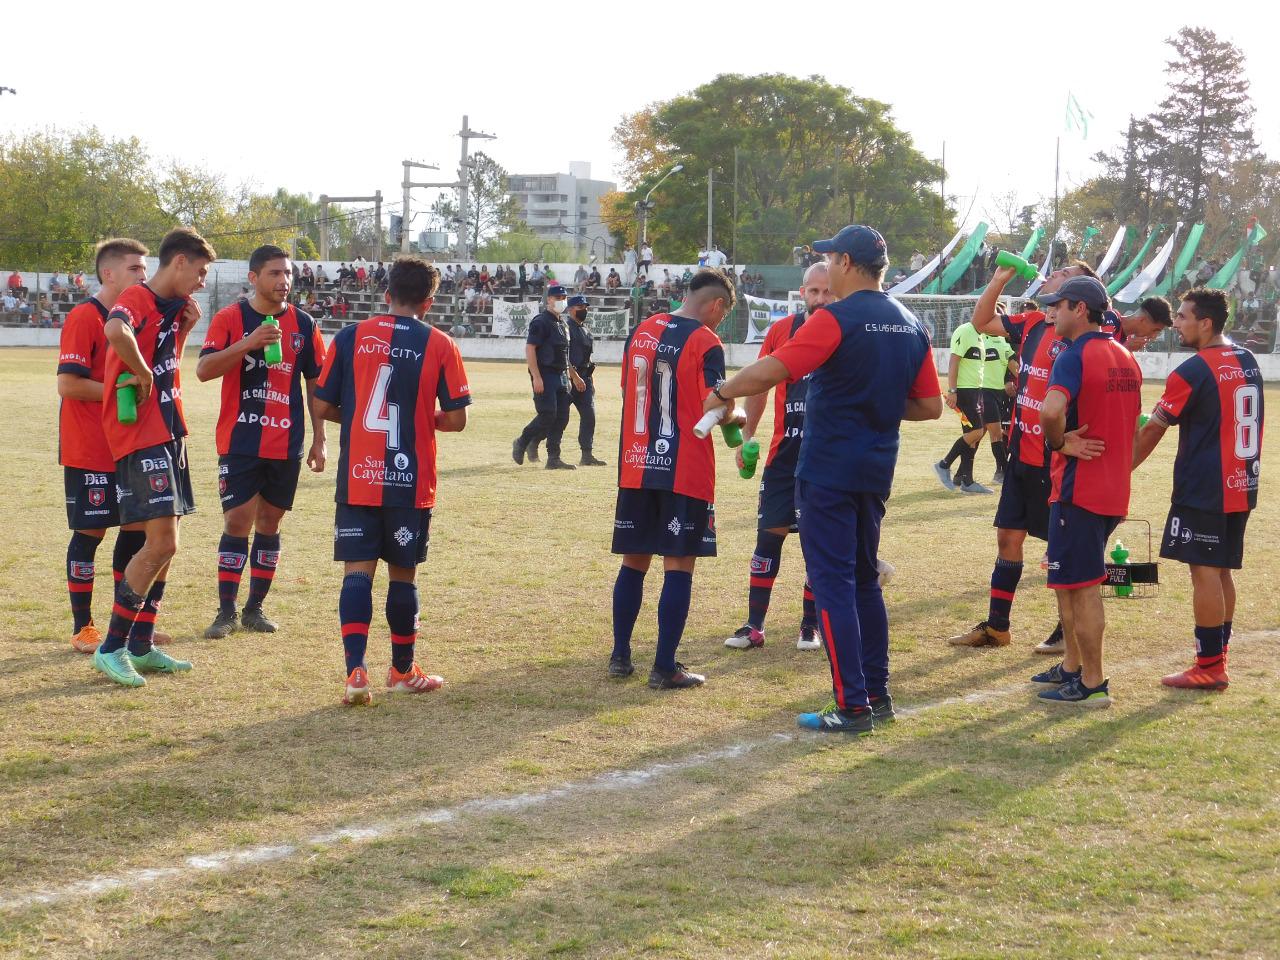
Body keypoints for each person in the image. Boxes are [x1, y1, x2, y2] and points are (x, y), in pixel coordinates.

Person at [707, 226, 941, 733]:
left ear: (849, 264)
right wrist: (873, 399)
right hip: (875, 471)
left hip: (829, 470)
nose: (827, 267)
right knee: (863, 584)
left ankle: (853, 706)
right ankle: (876, 697)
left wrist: (722, 389)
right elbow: (929, 406)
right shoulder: (911, 322)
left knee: (834, 586)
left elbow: (774, 369)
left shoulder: (835, 318)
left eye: (831, 257)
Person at [312, 256, 471, 705]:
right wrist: (426, 418)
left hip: (359, 477)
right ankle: (402, 670)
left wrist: (361, 419)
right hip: (410, 478)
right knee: (403, 573)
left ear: (386, 294)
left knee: (357, 572)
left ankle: (354, 673)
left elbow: (322, 406)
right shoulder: (439, 344)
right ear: (429, 301)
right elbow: (456, 419)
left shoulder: (348, 337)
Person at [945, 260, 1102, 655]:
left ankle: (1067, 631)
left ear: (1079, 294)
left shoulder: (1087, 335)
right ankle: (998, 627)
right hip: (1023, 457)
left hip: (1059, 463)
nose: (1050, 277)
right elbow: (982, 321)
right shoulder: (1032, 323)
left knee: (1061, 552)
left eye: (1061, 275)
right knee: (1008, 538)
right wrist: (998, 280)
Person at [95, 227, 215, 687]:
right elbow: (115, 328)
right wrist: (141, 371)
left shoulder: (171, 309)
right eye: (200, 271)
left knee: (171, 544)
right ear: (179, 262)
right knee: (161, 543)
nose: (203, 281)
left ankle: (142, 647)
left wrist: (184, 329)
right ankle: (112, 648)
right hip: (141, 435)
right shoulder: (139, 298)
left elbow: (166, 365)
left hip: (169, 431)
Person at [610, 269, 738, 688]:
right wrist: (734, 414)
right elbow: (713, 406)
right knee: (678, 564)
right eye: (723, 314)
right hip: (683, 467)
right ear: (716, 305)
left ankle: (620, 656)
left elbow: (627, 389)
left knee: (634, 561)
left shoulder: (642, 330)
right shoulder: (706, 340)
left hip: (636, 460)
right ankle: (664, 666)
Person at [1133, 288, 1263, 691]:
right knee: (1221, 569)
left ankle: (1209, 666)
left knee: (1204, 571)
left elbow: (1154, 428)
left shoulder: (1192, 370)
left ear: (1205, 323)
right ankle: (1217, 657)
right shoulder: (1247, 358)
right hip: (1242, 482)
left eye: (1184, 317)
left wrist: (1122, 470)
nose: (1177, 323)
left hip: (1206, 486)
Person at [196, 245, 328, 639]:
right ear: (253, 278)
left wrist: (320, 438)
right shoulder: (230, 318)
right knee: (238, 520)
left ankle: (255, 609)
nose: (283, 281)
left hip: (286, 441)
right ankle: (226, 612)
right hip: (240, 439)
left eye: (287, 273)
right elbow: (204, 369)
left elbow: (315, 385)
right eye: (274, 273)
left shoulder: (304, 325)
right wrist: (248, 343)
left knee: (270, 521)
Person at [57, 238, 172, 654]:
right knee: (90, 533)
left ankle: (125, 627)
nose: (143, 276)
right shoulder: (86, 317)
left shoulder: (139, 316)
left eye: (145, 269)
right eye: (135, 269)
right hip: (90, 447)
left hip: (130, 445)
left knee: (136, 533)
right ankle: (83, 626)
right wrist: (124, 385)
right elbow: (67, 383)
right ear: (109, 273)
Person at [1033, 276, 1141, 707]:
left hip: (1079, 489)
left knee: (1082, 586)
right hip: (1111, 487)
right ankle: (1073, 668)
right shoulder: (1125, 356)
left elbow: (1051, 411)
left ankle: (1093, 682)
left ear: (1080, 309)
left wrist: (1060, 442)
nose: (1051, 312)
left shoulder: (1073, 356)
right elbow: (1132, 426)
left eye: (1057, 305)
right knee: (1068, 582)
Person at [723, 261, 833, 652]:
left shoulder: (844, 330)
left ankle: (809, 626)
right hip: (784, 456)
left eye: (827, 291)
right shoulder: (781, 331)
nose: (820, 299)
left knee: (816, 545)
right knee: (767, 538)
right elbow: (760, 385)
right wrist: (747, 436)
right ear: (802, 292)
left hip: (826, 458)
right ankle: (754, 626)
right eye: (813, 291)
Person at [512, 284, 582, 470]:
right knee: (547, 414)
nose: (561, 301)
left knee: (561, 417)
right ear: (548, 300)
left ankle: (554, 458)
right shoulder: (540, 321)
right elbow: (530, 349)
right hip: (545, 373)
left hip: (561, 376)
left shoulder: (563, 324)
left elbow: (565, 355)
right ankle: (522, 441)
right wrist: (536, 377)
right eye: (557, 297)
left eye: (563, 297)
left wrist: (573, 376)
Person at [933, 319, 996, 494]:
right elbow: (954, 362)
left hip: (976, 390)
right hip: (965, 391)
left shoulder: (980, 336)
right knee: (977, 432)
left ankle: (967, 481)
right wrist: (952, 390)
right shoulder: (965, 331)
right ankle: (943, 464)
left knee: (972, 436)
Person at [566, 294, 606, 466]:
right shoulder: (565, 328)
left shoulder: (586, 331)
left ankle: (587, 455)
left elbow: (588, 359)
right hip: (567, 378)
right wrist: (574, 377)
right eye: (580, 307)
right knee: (557, 417)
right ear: (570, 309)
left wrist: (591, 380)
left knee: (589, 416)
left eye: (586, 307)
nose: (585, 310)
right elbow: (562, 356)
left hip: (584, 378)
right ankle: (536, 444)